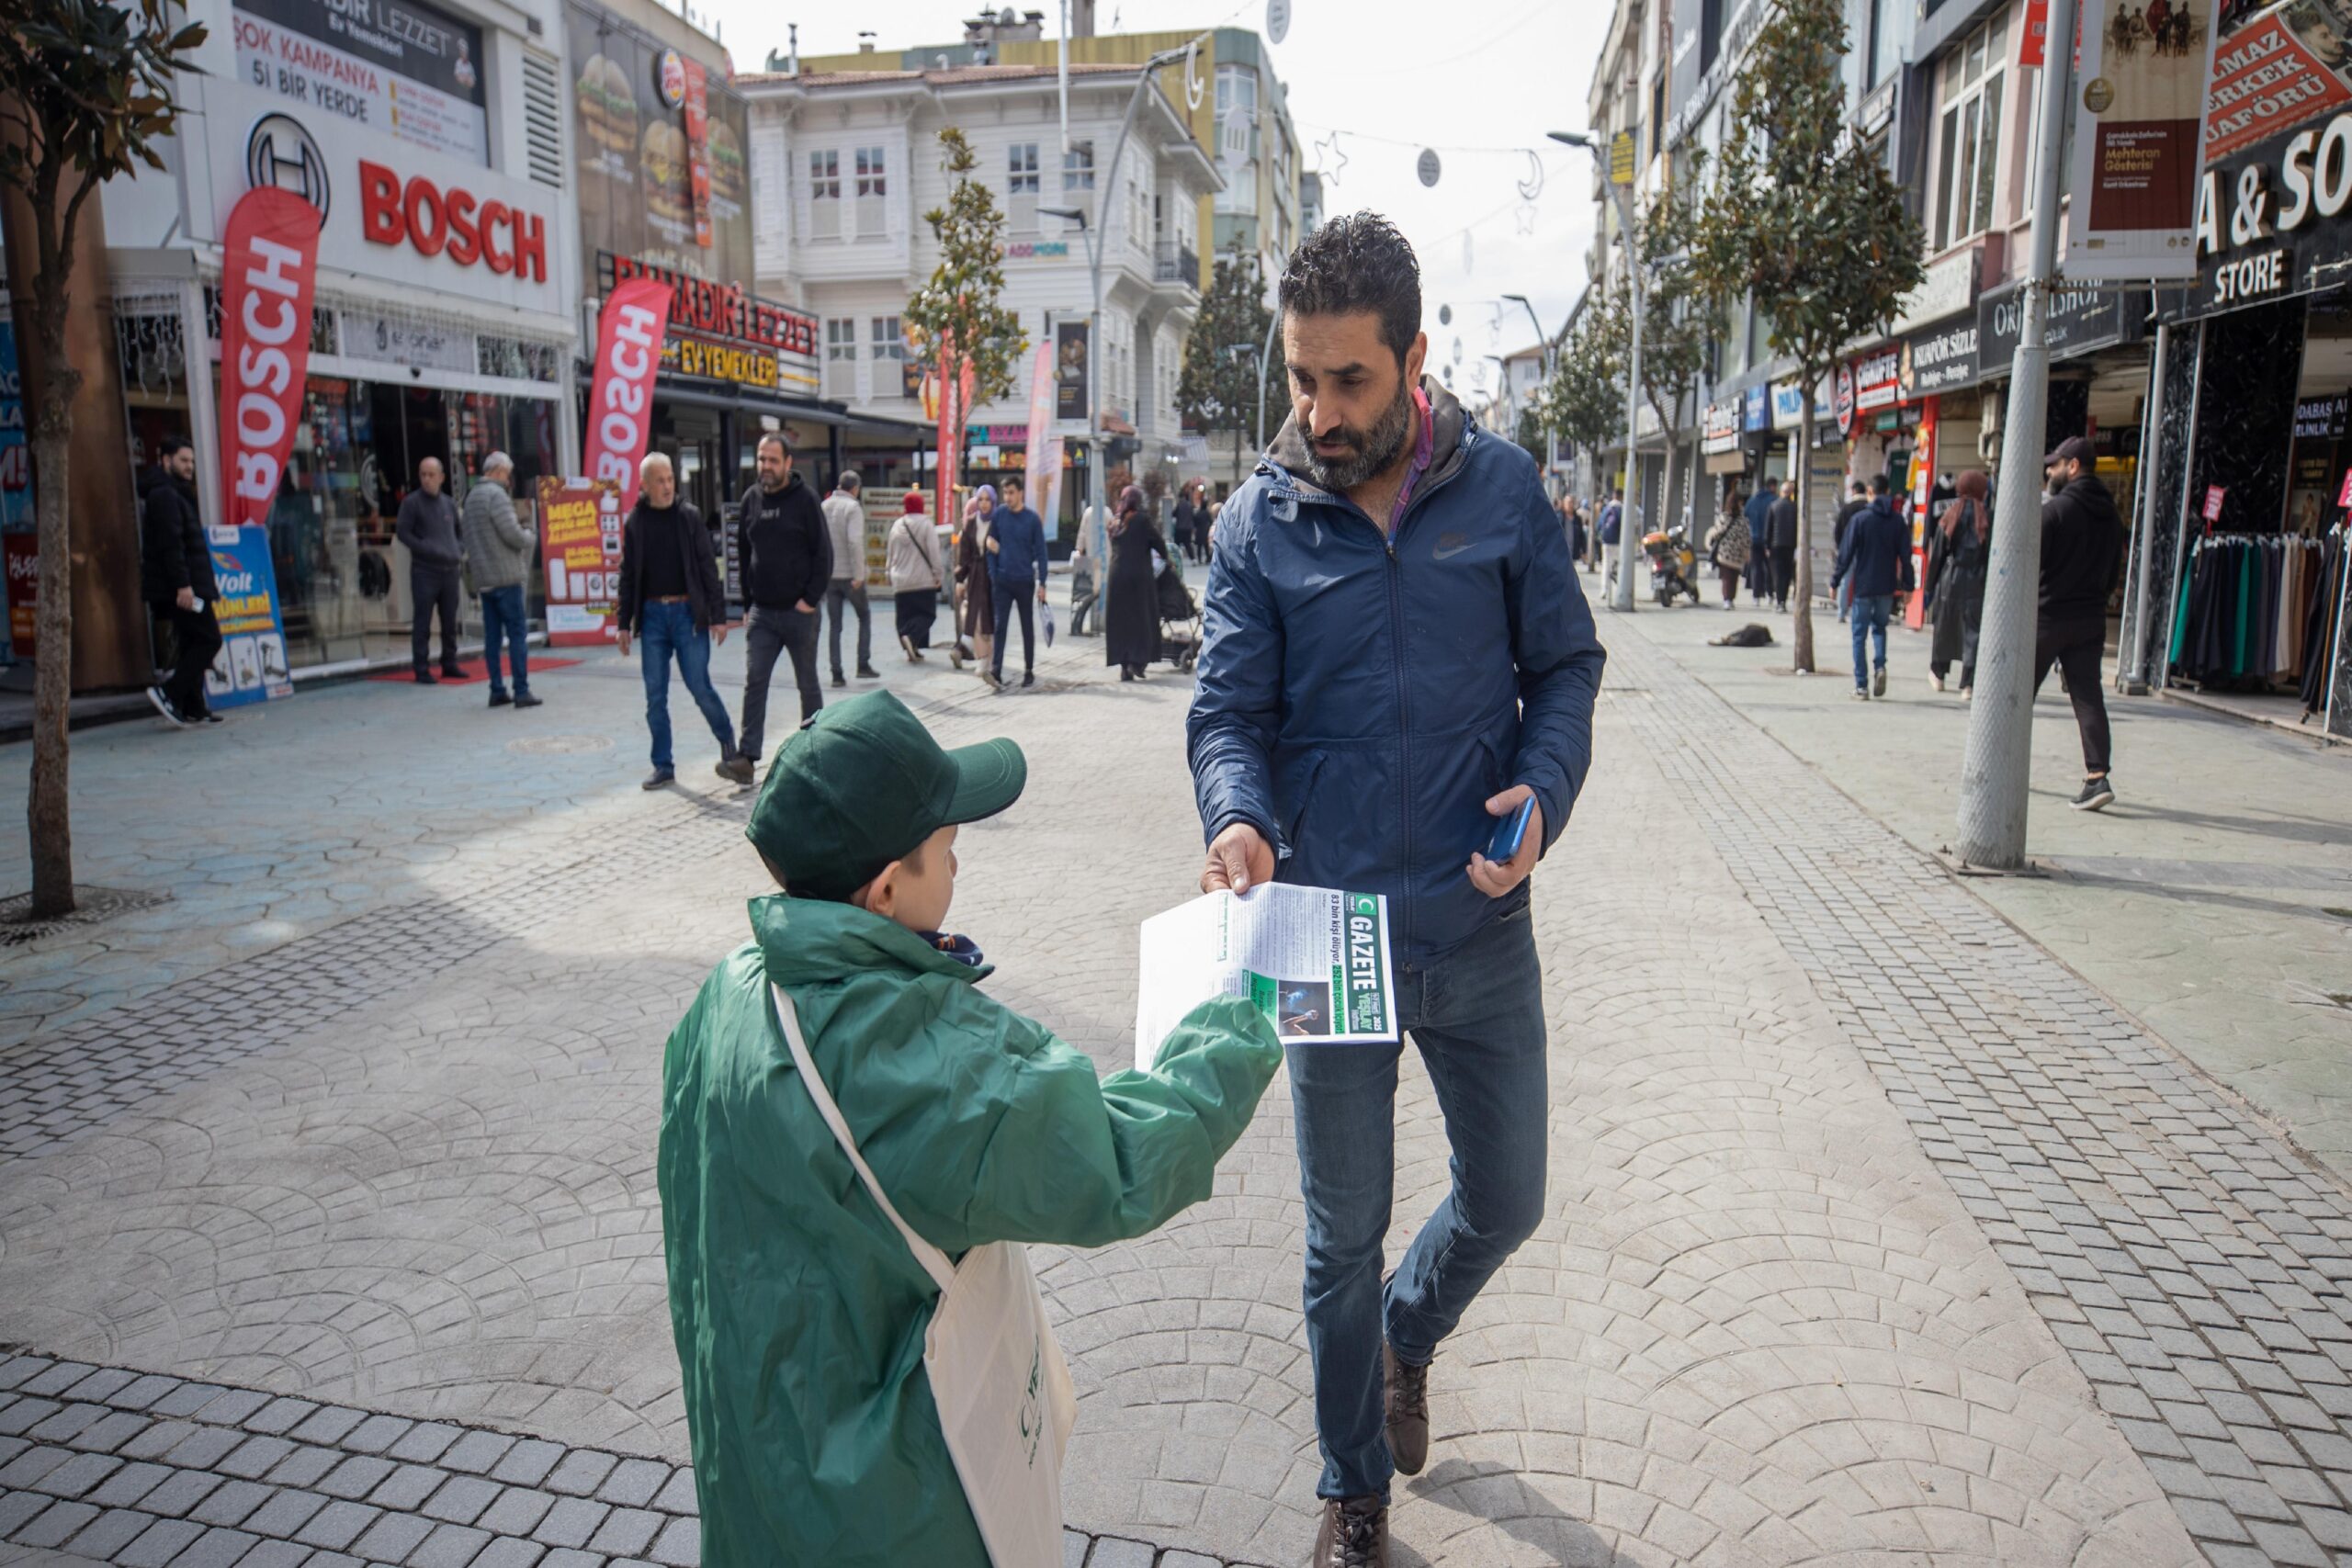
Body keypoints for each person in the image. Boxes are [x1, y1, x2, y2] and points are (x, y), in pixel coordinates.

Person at [1188, 213, 1605, 1567]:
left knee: (1511, 1192)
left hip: (1481, 923)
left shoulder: (1505, 495)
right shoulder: (1258, 520)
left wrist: (1543, 795)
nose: (1319, 411)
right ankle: (1352, 1486)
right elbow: (1227, 711)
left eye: (1349, 380)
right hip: (1324, 929)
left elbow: (1569, 667)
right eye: (1300, 379)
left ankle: (1408, 1337)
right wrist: (1238, 813)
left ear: (1416, 358)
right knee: (1335, 1244)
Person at [660, 692, 1281, 1568]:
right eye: (947, 848)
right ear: (883, 889)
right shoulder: (912, 1055)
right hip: (889, 1503)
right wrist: (1240, 1017)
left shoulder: (725, 994)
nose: (959, 866)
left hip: (759, 1466)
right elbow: (1117, 1159)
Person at [616, 451, 753, 790]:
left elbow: (708, 567)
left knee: (699, 686)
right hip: (651, 617)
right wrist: (623, 622)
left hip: (687, 615)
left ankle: (728, 747)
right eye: (659, 481)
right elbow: (628, 573)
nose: (666, 486)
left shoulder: (688, 517)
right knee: (655, 695)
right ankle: (663, 765)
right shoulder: (636, 521)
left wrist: (719, 617)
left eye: (670, 479)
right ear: (644, 485)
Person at [2036, 436, 2122, 810]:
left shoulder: (2055, 511)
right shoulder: (2113, 515)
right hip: (2090, 619)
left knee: (2016, 694)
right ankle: (2097, 776)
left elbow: (2032, 563)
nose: (2049, 470)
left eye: (2055, 464)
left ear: (2073, 467)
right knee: (2088, 698)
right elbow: (2113, 573)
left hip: (2049, 616)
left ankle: (1998, 764)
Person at [736, 434, 830, 764]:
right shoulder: (751, 499)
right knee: (755, 681)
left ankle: (816, 749)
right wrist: (748, 603)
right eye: (762, 459)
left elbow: (824, 554)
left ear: (788, 463)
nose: (766, 466)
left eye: (773, 460)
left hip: (799, 612)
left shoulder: (805, 500)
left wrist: (810, 599)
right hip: (762, 612)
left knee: (807, 683)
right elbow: (744, 552)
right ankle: (746, 757)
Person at [139, 436, 221, 727]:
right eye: (184, 460)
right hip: (184, 588)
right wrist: (183, 585)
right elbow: (171, 545)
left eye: (192, 462)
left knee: (191, 642)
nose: (190, 467)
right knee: (209, 639)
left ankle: (193, 706)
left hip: (190, 584)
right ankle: (169, 694)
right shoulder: (164, 495)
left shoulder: (176, 493)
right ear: (166, 459)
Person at [460, 452, 541, 710]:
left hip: (484, 579)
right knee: (517, 633)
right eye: (507, 474)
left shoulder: (471, 498)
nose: (508, 480)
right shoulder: (496, 495)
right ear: (496, 471)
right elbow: (512, 534)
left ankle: (496, 689)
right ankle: (521, 690)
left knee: (492, 638)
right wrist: (530, 536)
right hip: (506, 576)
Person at [1831, 476, 1913, 700]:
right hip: (1886, 586)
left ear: (1870, 491)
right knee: (1880, 628)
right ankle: (1880, 666)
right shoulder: (1897, 522)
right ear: (1887, 491)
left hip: (1863, 586)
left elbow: (1845, 554)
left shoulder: (1860, 520)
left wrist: (1835, 581)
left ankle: (1861, 686)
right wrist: (1909, 586)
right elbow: (1906, 557)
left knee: (1859, 635)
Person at [397, 456, 466, 683]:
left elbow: (459, 531)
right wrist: (425, 548)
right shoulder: (412, 503)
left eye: (431, 475)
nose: (427, 480)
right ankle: (421, 668)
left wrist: (458, 549)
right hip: (425, 571)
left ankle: (449, 663)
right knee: (423, 622)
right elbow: (403, 533)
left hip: (450, 570)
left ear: (442, 477)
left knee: (449, 621)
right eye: (423, 475)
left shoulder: (448, 503)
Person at [1925, 468, 1992, 696]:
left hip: (1950, 579)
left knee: (1944, 626)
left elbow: (1939, 554)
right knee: (1973, 631)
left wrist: (1929, 585)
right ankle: (1968, 683)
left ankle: (1938, 674)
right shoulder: (1988, 516)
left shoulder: (1951, 514)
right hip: (1978, 581)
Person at [983, 474, 1049, 690]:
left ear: (1020, 493)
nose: (1008, 497)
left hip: (1024, 581)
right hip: (1002, 580)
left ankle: (1029, 669)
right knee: (1000, 625)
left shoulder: (1032, 519)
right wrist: (993, 573)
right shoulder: (1000, 515)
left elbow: (1041, 553)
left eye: (1011, 492)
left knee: (1026, 626)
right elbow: (990, 545)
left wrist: (1043, 583)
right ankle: (997, 670)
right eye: (1005, 493)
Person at [821, 469, 878, 687]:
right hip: (849, 575)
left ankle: (837, 673)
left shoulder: (824, 506)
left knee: (835, 625)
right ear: (855, 488)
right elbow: (854, 542)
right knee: (864, 616)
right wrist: (859, 575)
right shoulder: (853, 508)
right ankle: (862, 664)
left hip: (829, 575)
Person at [1103, 483, 1165, 681]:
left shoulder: (1115, 522)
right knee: (1142, 619)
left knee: (1121, 621)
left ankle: (1124, 666)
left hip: (1116, 576)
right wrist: (1167, 559)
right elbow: (1159, 543)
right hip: (1138, 577)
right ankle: (1137, 662)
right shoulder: (1142, 520)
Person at [887, 491, 945, 660]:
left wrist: (888, 573)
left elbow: (890, 553)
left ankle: (912, 646)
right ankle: (911, 637)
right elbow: (934, 552)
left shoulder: (897, 525)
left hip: (900, 582)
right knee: (927, 615)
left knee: (905, 616)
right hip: (922, 581)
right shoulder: (926, 524)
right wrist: (938, 574)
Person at [955, 489, 995, 675]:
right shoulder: (971, 523)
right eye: (981, 499)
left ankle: (991, 659)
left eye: (988, 500)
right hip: (975, 574)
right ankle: (981, 658)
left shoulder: (998, 522)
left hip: (993, 575)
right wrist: (960, 580)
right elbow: (964, 553)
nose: (984, 503)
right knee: (976, 616)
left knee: (991, 617)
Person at [1702, 490, 1751, 611]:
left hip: (1724, 553)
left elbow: (1717, 532)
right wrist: (1747, 552)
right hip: (1737, 554)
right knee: (1733, 578)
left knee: (1726, 577)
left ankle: (1727, 599)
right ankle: (1729, 599)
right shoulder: (1743, 521)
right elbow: (1747, 538)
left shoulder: (1723, 517)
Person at [1831, 479, 1870, 623]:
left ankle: (1841, 612)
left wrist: (1840, 547)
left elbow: (1838, 530)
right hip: (1866, 551)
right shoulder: (1869, 507)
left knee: (1845, 581)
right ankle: (1858, 613)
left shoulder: (1847, 508)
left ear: (1853, 491)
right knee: (1863, 581)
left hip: (1847, 549)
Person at [1743, 478, 1779, 605]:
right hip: (1769, 541)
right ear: (1773, 487)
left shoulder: (1752, 501)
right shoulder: (1774, 501)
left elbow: (1745, 516)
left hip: (1754, 539)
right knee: (1769, 568)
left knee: (1756, 568)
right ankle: (1770, 594)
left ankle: (1756, 596)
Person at [1765, 480, 1800, 611]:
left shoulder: (1773, 506)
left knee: (1777, 574)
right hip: (1790, 545)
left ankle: (1779, 601)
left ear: (1781, 491)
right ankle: (1783, 600)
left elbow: (1768, 527)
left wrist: (1767, 545)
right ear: (1791, 493)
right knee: (1786, 574)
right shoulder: (1795, 507)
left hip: (1775, 545)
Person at [1595, 487, 1624, 588]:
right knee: (1618, 565)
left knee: (1606, 564)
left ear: (1613, 495)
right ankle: (1618, 587)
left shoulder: (1607, 508)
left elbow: (1599, 524)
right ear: (1621, 496)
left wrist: (1599, 535)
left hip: (1606, 540)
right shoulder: (1622, 508)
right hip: (1618, 541)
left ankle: (1604, 589)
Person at [1170, 480, 1198, 566]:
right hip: (1188, 528)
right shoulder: (1190, 506)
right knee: (1188, 544)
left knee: (1176, 545)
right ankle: (1193, 559)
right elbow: (1193, 517)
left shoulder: (1179, 505)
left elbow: (1173, 514)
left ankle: (1174, 559)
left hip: (1179, 528)